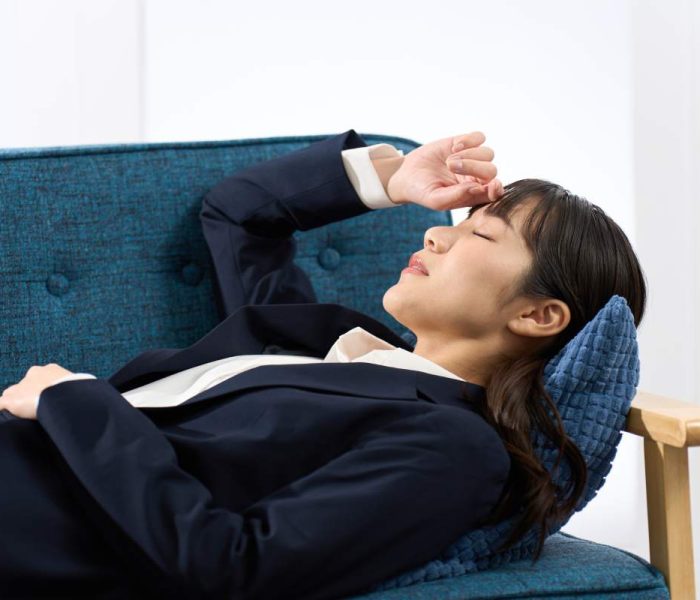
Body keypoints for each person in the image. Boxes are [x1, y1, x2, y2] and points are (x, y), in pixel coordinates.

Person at [0, 129, 646, 599]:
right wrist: (391, 179)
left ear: (539, 316)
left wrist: (78, 404)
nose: (435, 232)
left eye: (480, 234)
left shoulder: (453, 446)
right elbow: (238, 212)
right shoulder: (330, 341)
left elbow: (231, 567)